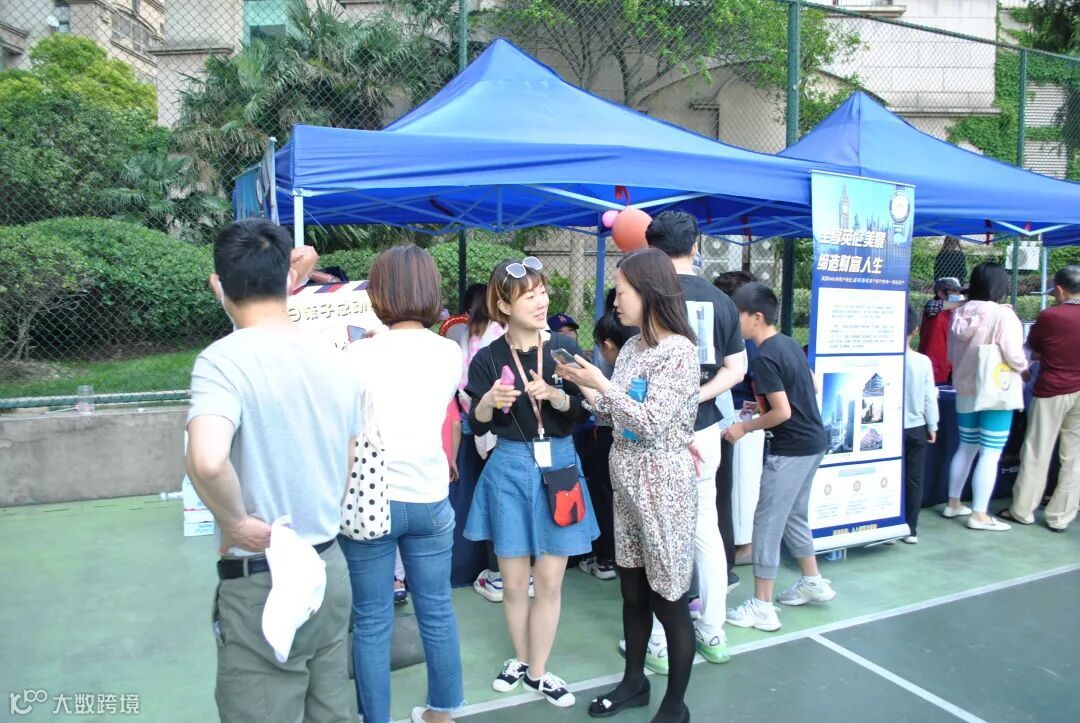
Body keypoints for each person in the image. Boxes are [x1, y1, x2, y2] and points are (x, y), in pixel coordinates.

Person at [185, 219, 355, 723]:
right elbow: (349, 455)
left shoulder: (222, 361)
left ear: (218, 285)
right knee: (330, 707)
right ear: (289, 281)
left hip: (265, 575)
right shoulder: (336, 357)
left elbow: (208, 459)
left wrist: (235, 522)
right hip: (328, 564)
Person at [556, 248, 701, 723]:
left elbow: (652, 421)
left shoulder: (679, 351)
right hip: (627, 478)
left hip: (663, 486)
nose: (615, 301)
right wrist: (582, 383)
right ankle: (634, 682)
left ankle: (676, 705)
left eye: (622, 292)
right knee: (633, 590)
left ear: (649, 292)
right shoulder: (635, 347)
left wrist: (602, 382)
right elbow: (611, 411)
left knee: (669, 598)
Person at [464, 256, 599, 708]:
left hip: (560, 465)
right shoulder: (487, 358)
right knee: (513, 582)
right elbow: (477, 424)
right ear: (503, 306)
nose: (542, 302)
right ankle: (521, 661)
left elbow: (583, 410)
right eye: (530, 297)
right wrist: (488, 401)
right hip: (508, 467)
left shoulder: (563, 348)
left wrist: (558, 396)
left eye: (542, 293)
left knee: (551, 581)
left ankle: (538, 671)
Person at [340, 245, 464, 723]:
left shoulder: (358, 355)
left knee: (372, 621)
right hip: (431, 498)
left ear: (379, 293)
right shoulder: (449, 352)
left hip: (372, 499)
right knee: (437, 610)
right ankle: (442, 712)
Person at [645, 210, 745, 668]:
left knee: (661, 535)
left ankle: (660, 642)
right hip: (704, 429)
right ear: (696, 246)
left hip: (656, 433)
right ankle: (713, 630)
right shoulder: (722, 301)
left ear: (651, 249)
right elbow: (736, 369)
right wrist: (697, 395)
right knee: (705, 529)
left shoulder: (647, 295)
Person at [722, 282, 834, 632]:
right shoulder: (787, 343)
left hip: (791, 449)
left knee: (767, 523)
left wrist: (745, 427)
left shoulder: (764, 357)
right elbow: (811, 387)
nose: (733, 322)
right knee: (794, 515)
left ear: (756, 317)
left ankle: (762, 606)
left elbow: (783, 412)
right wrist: (764, 408)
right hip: (814, 442)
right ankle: (812, 581)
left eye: (737, 315)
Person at [942, 262, 1028, 531]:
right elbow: (1014, 354)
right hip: (995, 391)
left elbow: (950, 354)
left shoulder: (958, 313)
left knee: (966, 447)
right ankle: (979, 515)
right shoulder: (1003, 315)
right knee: (990, 453)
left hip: (964, 389)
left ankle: (953, 503)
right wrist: (1024, 368)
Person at [1003, 264, 1080, 532]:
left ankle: (1022, 510)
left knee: (1037, 450)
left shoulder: (1051, 315)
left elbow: (1033, 349)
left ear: (1059, 289)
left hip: (1052, 389)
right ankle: (1061, 517)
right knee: (1074, 457)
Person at [577, 310, 634, 581]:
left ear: (607, 345)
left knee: (604, 497)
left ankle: (606, 560)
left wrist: (582, 381)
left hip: (611, 436)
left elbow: (606, 410)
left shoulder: (617, 367)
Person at [903, 305, 939, 544]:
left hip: (891, 428)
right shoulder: (922, 361)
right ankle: (911, 529)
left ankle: (889, 526)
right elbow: (929, 397)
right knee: (914, 478)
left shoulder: (886, 360)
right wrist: (932, 425)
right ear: (915, 330)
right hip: (916, 427)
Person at [919, 277, 963, 385]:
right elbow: (933, 306)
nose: (958, 295)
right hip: (932, 368)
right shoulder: (932, 308)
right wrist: (963, 303)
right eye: (954, 292)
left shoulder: (956, 313)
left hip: (950, 368)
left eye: (959, 292)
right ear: (941, 294)